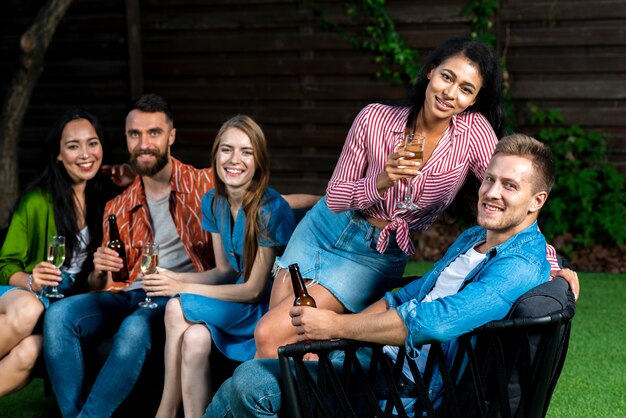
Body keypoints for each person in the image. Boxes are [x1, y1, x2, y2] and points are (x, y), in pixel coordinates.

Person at [205, 133, 579, 417]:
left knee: (252, 385)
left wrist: (335, 328)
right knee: (251, 375)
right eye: (489, 180)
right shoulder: (474, 237)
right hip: (379, 359)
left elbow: (434, 322)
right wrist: (332, 342)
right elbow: (408, 295)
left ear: (537, 201)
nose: (492, 192)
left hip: (408, 388)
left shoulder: (517, 265)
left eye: (510, 186)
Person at [254, 36, 564, 358]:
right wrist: (382, 181)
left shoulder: (473, 134)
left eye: (466, 89)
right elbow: (335, 197)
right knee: (283, 341)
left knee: (270, 332)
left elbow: (510, 190)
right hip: (323, 228)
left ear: (473, 100)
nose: (450, 93)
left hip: (374, 254)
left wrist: (550, 262)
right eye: (447, 77)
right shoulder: (374, 119)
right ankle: (273, 401)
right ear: (431, 72)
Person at [43, 94, 216, 418]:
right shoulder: (118, 206)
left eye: (154, 133)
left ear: (171, 137)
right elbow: (105, 284)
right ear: (126, 138)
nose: (144, 143)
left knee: (135, 328)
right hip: (128, 293)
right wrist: (99, 269)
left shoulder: (205, 183)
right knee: (58, 315)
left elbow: (260, 197)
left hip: (176, 294)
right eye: (135, 134)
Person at [150, 115, 296, 418]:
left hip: (263, 310)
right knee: (194, 339)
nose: (234, 159)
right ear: (215, 154)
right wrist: (173, 277)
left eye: (246, 151)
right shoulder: (213, 201)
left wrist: (183, 287)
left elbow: (254, 290)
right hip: (235, 300)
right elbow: (224, 271)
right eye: (226, 149)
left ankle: (165, 410)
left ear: (259, 160)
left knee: (175, 308)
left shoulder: (271, 209)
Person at [0, 108, 113, 397]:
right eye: (73, 146)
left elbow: (93, 286)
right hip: (22, 296)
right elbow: (4, 265)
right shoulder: (37, 201)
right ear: (59, 155)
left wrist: (101, 272)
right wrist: (30, 281)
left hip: (62, 308)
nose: (85, 154)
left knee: (30, 351)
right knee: (29, 309)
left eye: (92, 143)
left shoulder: (106, 200)